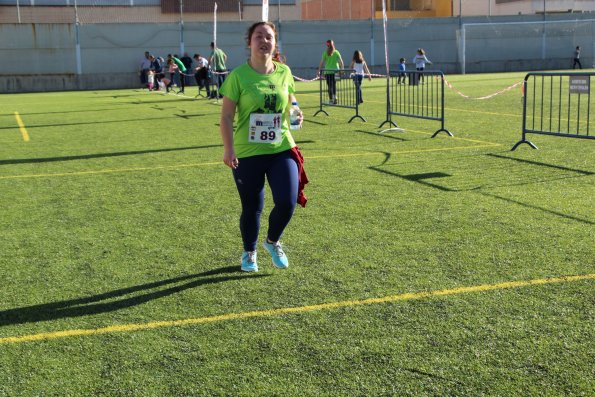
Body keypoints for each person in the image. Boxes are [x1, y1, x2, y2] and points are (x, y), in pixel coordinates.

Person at [219, 21, 308, 273]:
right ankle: (249, 252)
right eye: (259, 36)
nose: (264, 40)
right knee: (252, 207)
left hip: (281, 147)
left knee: (287, 202)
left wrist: (296, 113)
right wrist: (229, 149)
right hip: (248, 152)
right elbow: (226, 116)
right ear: (249, 42)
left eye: (269, 36)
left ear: (275, 42)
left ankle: (272, 241)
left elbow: (292, 101)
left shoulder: (284, 72)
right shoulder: (238, 76)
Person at [318, 39, 344, 104]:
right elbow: (341, 62)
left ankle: (331, 99)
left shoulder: (325, 53)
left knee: (329, 86)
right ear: (333, 45)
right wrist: (342, 69)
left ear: (327, 46)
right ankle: (335, 97)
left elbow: (321, 63)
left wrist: (319, 70)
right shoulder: (336, 52)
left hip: (328, 72)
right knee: (334, 85)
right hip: (336, 71)